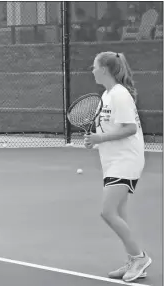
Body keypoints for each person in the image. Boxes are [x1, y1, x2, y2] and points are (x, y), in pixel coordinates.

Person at [84, 52, 151, 282]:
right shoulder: (107, 95)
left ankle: (140, 258)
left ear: (104, 69)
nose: (91, 70)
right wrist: (95, 138)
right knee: (119, 213)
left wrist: (100, 139)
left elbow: (129, 128)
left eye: (94, 66)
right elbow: (109, 128)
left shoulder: (120, 95)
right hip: (112, 161)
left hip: (126, 161)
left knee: (108, 212)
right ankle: (133, 259)